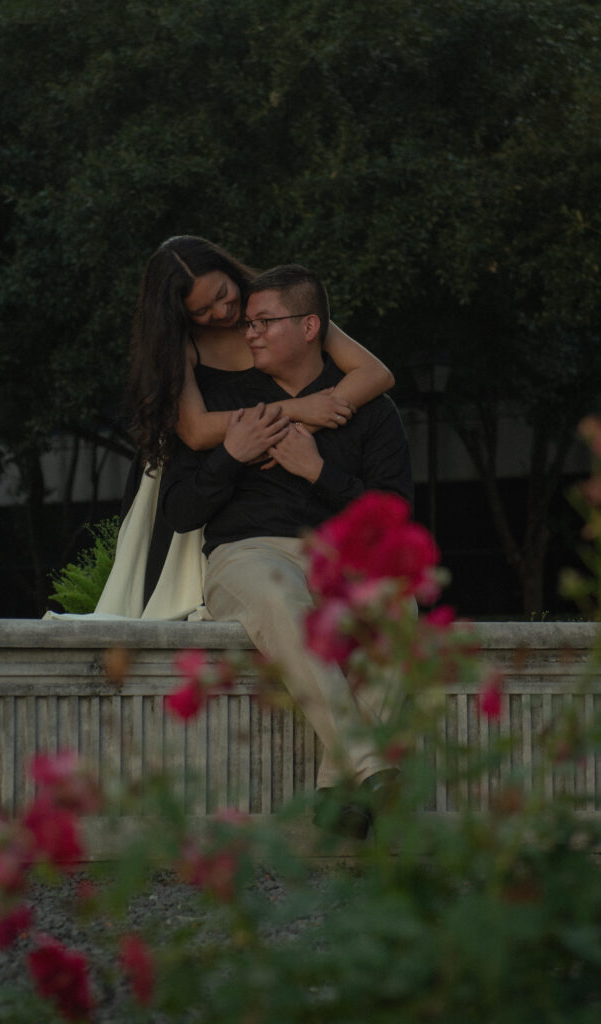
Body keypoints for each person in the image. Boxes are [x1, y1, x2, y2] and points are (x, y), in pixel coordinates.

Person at [159, 264, 414, 838]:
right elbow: (179, 512)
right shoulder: (226, 403)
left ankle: (336, 790)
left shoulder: (368, 408)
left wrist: (319, 472)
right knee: (284, 600)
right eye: (246, 322)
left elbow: (394, 520)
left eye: (262, 322)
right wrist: (232, 454)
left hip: (340, 557)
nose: (245, 332)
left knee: (399, 606)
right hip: (249, 556)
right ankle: (373, 766)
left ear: (309, 328)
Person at [92, 236, 395, 620]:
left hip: (293, 506)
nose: (223, 312)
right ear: (179, 313)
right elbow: (198, 431)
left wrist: (304, 428)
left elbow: (375, 373)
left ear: (229, 270)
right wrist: (296, 409)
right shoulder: (182, 346)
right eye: (202, 309)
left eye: (223, 293)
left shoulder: (275, 307)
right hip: (212, 483)